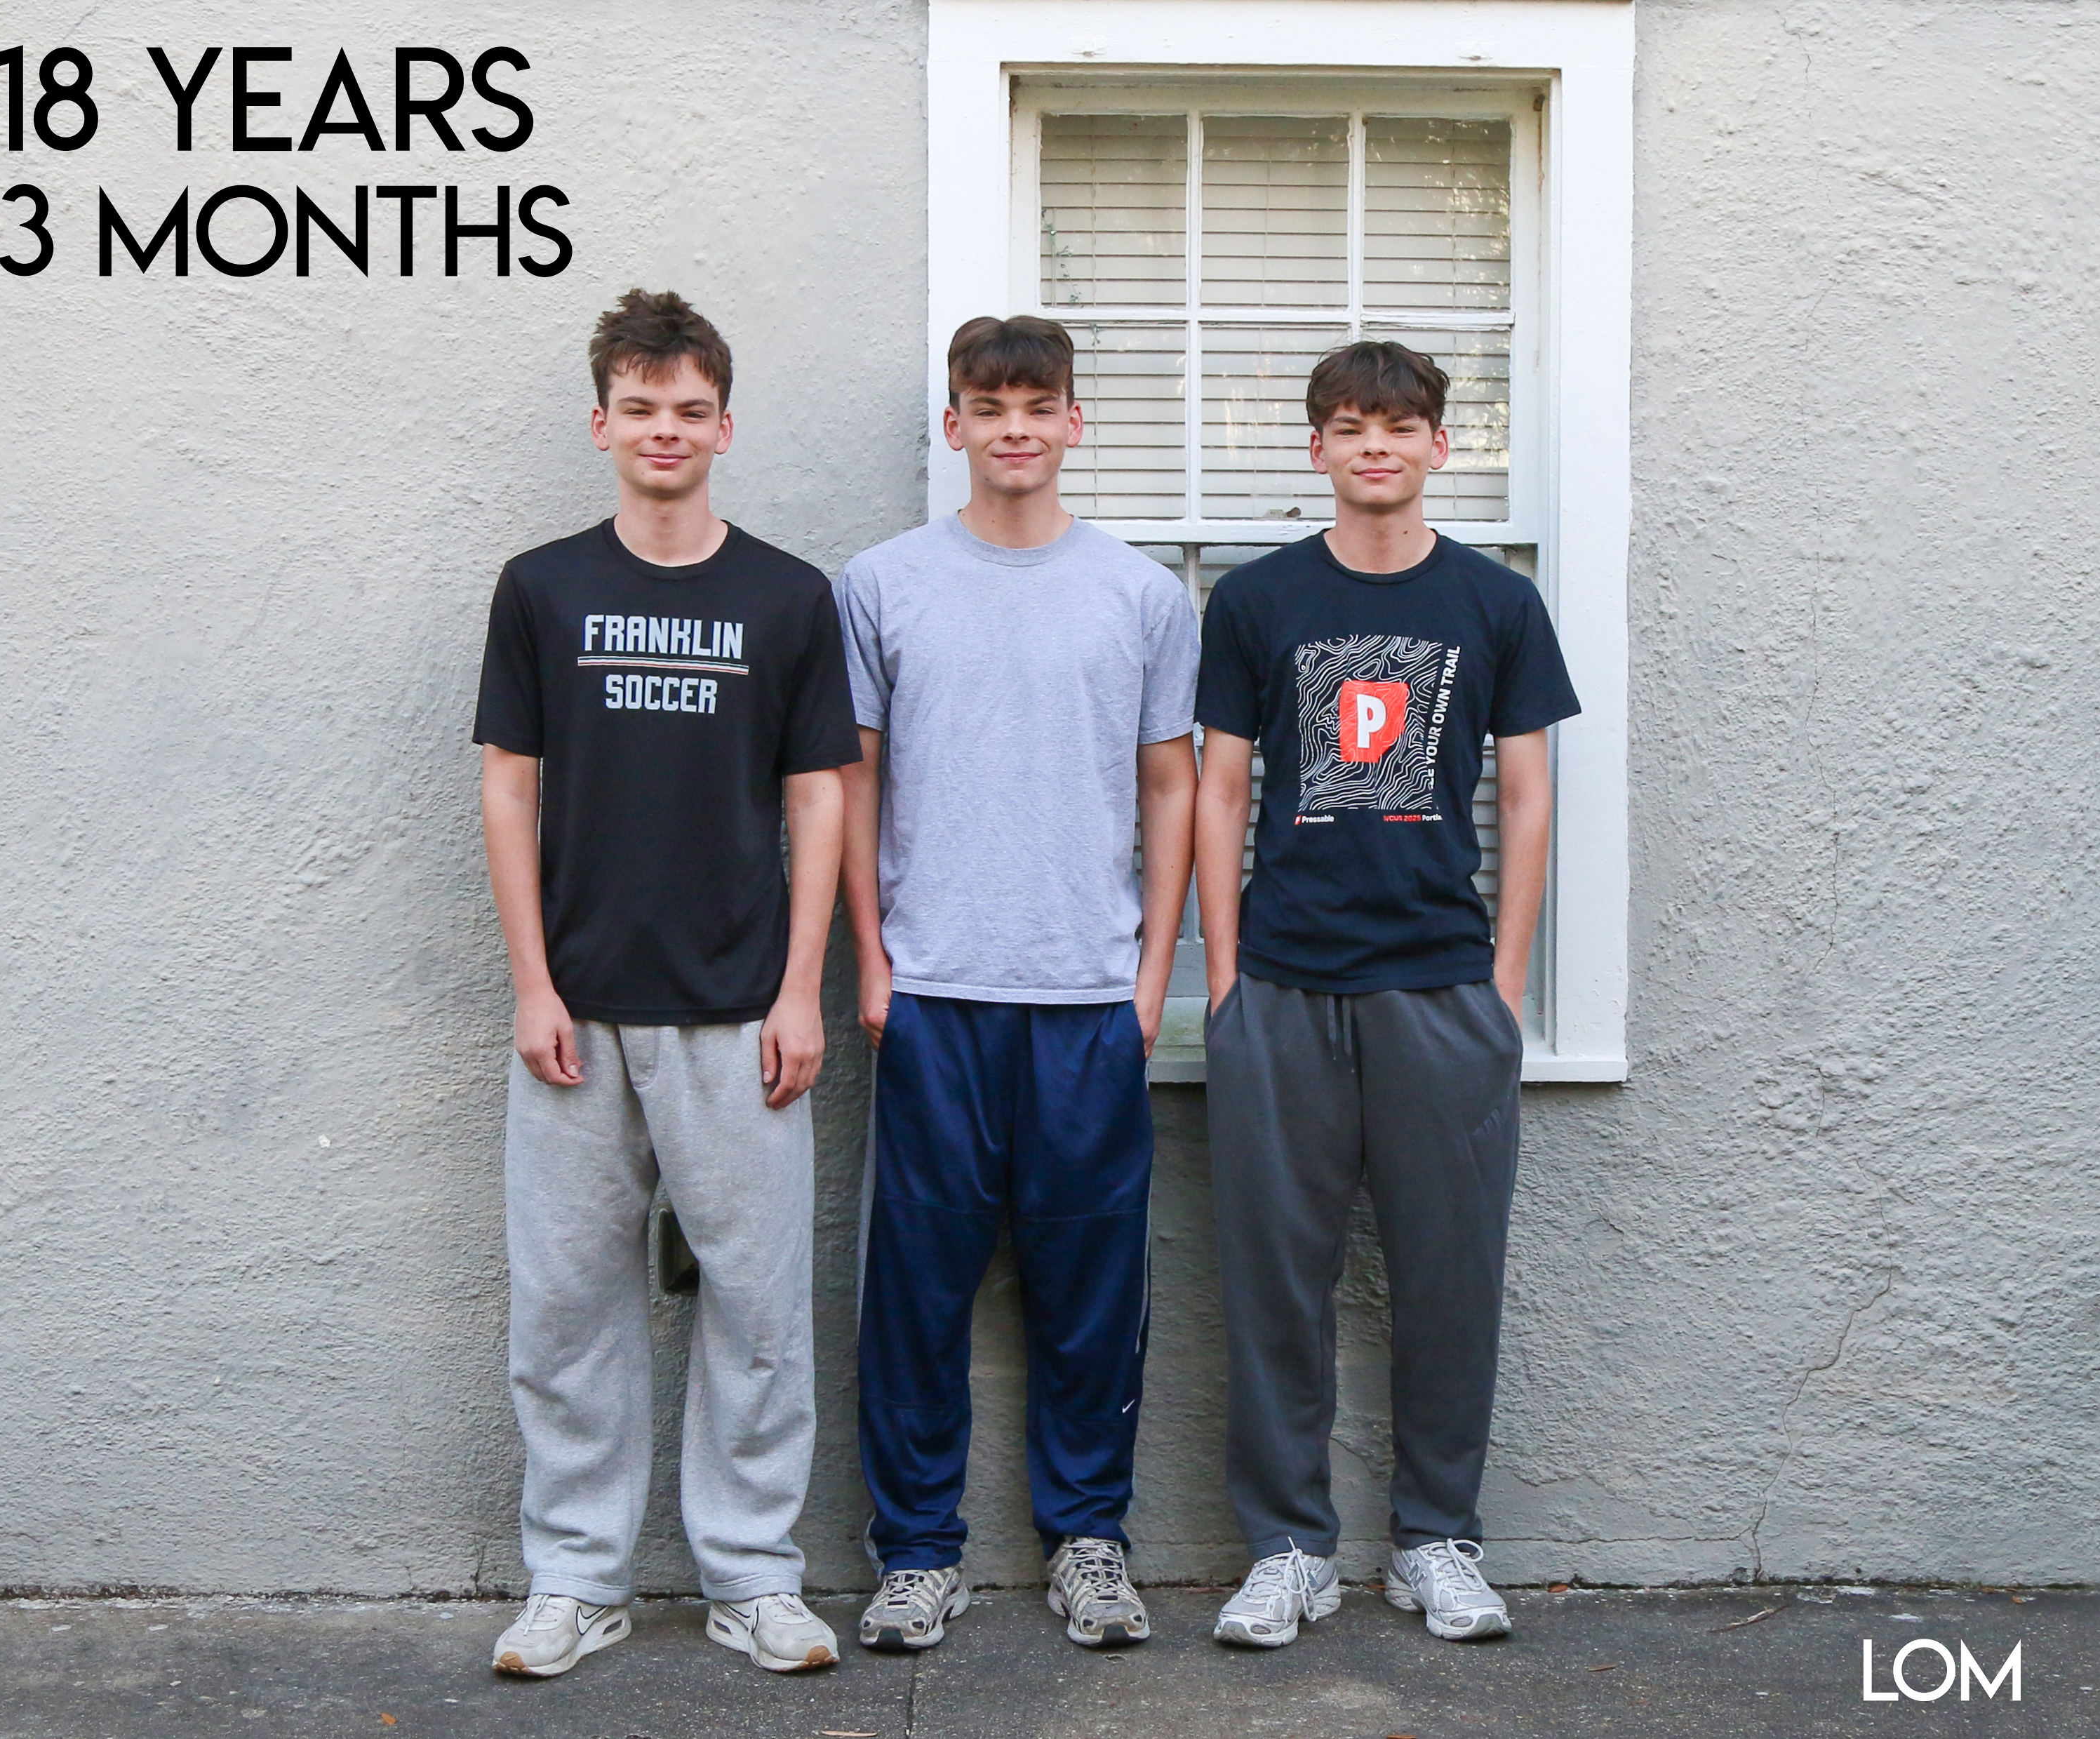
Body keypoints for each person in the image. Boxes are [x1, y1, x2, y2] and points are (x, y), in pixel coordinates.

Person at [472, 289, 860, 1678]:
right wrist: (530, 983)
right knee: (565, 1308)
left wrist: (803, 989)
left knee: (759, 1311)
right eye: (639, 408)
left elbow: (819, 798)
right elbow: (508, 791)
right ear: (601, 423)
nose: (665, 430)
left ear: (723, 427)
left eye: (690, 409)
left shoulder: (786, 597)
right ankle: (578, 1579)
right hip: (575, 1014)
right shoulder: (542, 589)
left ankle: (752, 1575)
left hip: (739, 1011)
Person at [1195, 340, 1579, 1650]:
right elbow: (1219, 789)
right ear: (1315, 447)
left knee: (1449, 1280)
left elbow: (1526, 796)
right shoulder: (1255, 600)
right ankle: (1287, 1548)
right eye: (1350, 425)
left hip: (1440, 987)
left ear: (1438, 447)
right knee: (1272, 1285)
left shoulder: (1495, 604)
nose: (1375, 445)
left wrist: (1503, 984)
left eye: (1400, 426)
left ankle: (1435, 1540)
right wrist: (1224, 975)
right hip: (1282, 987)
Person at [836, 315, 1199, 1653]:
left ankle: (1088, 1541)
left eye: (1037, 404)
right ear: (953, 426)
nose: (1013, 428)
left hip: (1087, 996)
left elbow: (1172, 786)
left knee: (1090, 1288)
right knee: (916, 1290)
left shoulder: (1140, 595)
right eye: (987, 407)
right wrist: (871, 955)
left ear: (1072, 422)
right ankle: (915, 1551)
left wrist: (1151, 973)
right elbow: (852, 781)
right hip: (932, 989)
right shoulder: (880, 583)